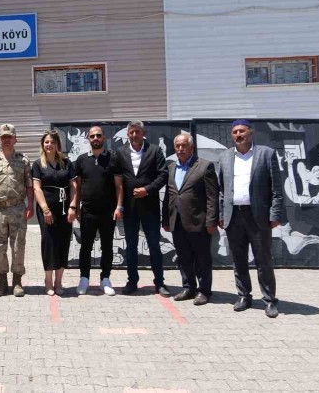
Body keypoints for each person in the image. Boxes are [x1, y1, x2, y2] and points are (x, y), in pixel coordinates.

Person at [218, 119, 283, 318]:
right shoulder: (225, 156)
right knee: (238, 260)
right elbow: (221, 190)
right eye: (235, 132)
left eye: (242, 131)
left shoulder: (266, 154)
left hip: (259, 217)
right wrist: (221, 214)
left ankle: (269, 300)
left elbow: (277, 189)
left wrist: (275, 214)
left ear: (250, 132)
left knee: (263, 260)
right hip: (233, 216)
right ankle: (244, 296)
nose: (238, 135)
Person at [162, 134, 219, 306]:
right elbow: (169, 195)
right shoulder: (171, 167)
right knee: (184, 257)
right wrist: (165, 219)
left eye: (184, 146)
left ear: (191, 148)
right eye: (177, 146)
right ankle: (188, 287)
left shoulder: (204, 166)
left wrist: (211, 221)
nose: (180, 149)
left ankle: (204, 291)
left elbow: (212, 197)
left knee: (202, 259)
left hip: (198, 222)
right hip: (177, 221)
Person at [114, 121, 169, 296]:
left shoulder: (154, 151)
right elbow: (118, 181)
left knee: (154, 245)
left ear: (143, 133)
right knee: (131, 246)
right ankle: (132, 281)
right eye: (131, 132)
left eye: (137, 132)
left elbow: (163, 175)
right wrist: (119, 205)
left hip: (150, 207)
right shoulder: (120, 152)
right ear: (127, 134)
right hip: (129, 208)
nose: (134, 135)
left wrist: (147, 189)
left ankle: (159, 282)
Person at [0, 124, 33, 297]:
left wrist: (30, 205)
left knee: (18, 246)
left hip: (18, 207)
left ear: (15, 139)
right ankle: (2, 281)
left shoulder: (23, 160)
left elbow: (29, 185)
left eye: (9, 136)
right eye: (3, 137)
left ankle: (17, 281)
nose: (6, 140)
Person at [71, 126, 120, 296]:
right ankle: (84, 278)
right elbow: (77, 186)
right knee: (85, 247)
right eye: (92, 136)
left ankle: (105, 279)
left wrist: (119, 207)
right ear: (88, 139)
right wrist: (76, 207)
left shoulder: (113, 158)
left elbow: (119, 186)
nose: (96, 138)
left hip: (108, 212)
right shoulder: (82, 160)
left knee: (107, 247)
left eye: (99, 135)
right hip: (88, 212)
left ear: (104, 138)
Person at [32, 131, 75, 296]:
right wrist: (45, 209)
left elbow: (74, 187)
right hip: (47, 210)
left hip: (64, 209)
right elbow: (37, 188)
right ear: (42, 145)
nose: (49, 145)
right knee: (49, 243)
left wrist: (72, 207)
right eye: (46, 142)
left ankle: (59, 281)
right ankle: (48, 280)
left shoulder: (66, 163)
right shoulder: (38, 164)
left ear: (57, 145)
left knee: (63, 243)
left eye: (52, 142)